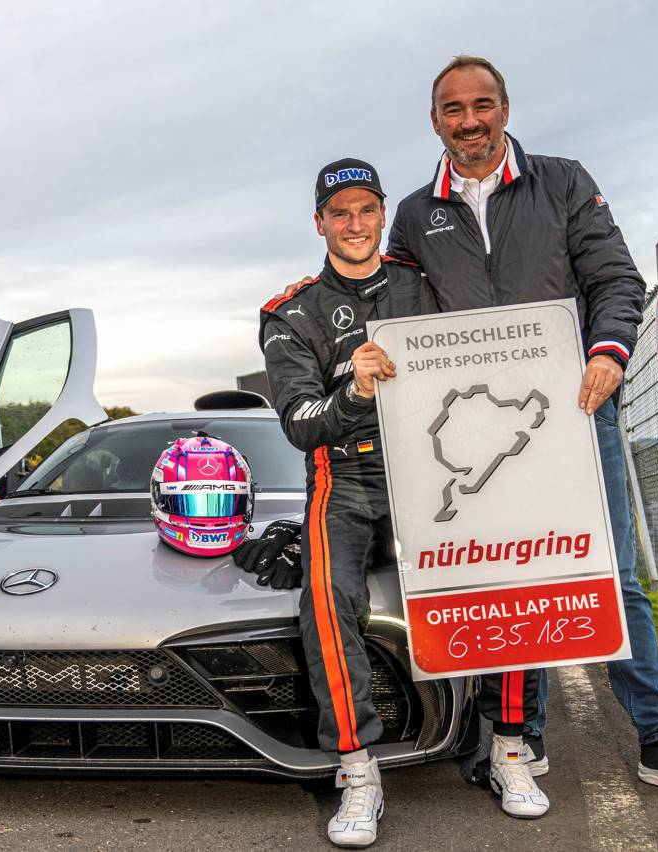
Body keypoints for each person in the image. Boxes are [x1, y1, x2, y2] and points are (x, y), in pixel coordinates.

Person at [383, 55, 658, 803]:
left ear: (504, 108)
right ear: (434, 120)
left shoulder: (563, 180)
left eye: (482, 105)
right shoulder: (413, 214)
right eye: (453, 109)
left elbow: (615, 279)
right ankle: (521, 729)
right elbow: (400, 313)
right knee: (503, 573)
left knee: (613, 575)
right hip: (476, 429)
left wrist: (609, 353)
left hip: (574, 413)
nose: (469, 121)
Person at [259, 158, 445, 847]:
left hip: (434, 466)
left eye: (367, 209)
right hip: (346, 473)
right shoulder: (290, 310)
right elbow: (302, 425)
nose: (355, 223)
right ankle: (357, 769)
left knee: (493, 575)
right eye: (340, 213)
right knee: (326, 598)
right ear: (320, 223)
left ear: (382, 214)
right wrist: (356, 392)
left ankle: (509, 743)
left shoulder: (423, 287)